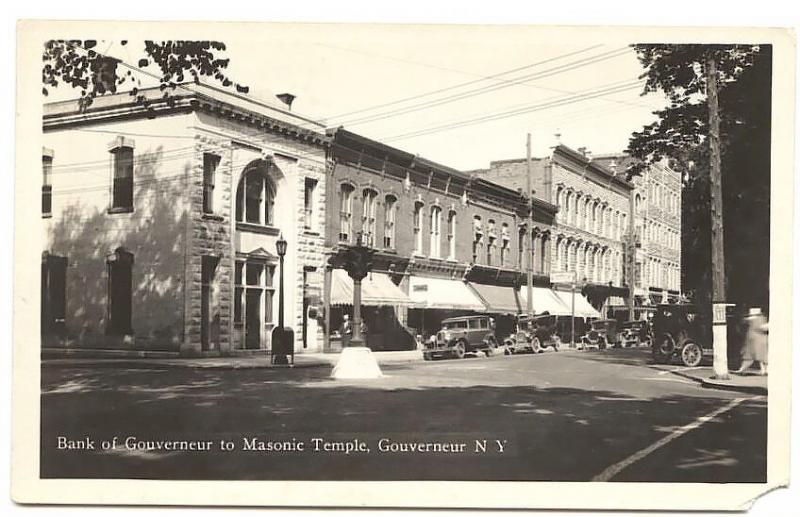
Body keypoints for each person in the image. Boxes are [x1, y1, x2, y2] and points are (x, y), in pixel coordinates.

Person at [735, 307, 768, 376]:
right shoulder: (761, 318)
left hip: (754, 340)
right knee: (761, 356)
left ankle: (742, 369)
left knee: (750, 356)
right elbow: (762, 328)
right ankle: (764, 370)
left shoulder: (752, 320)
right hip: (760, 339)